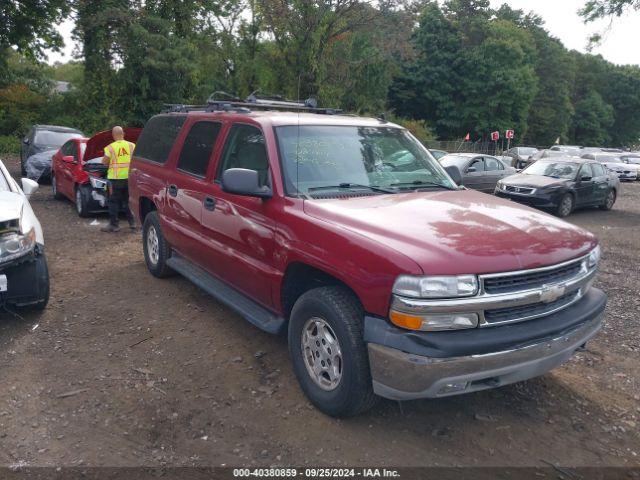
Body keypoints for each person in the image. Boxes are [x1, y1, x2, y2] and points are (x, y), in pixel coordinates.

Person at [101, 126, 136, 233]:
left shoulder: (110, 147)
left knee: (113, 202)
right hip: (129, 179)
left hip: (114, 179)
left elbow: (104, 162)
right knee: (128, 201)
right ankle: (133, 223)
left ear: (113, 135)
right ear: (123, 134)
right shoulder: (132, 146)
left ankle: (114, 225)